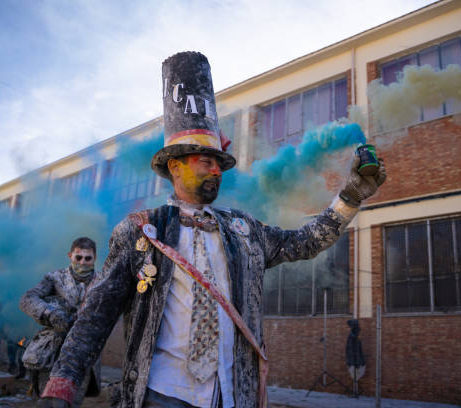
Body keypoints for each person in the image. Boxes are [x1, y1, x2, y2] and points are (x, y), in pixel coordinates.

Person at [39, 51, 386, 408]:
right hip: (160, 395)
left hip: (232, 395)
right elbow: (95, 316)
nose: (217, 171)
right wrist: (61, 386)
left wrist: (350, 197)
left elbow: (305, 243)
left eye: (219, 164)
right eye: (206, 161)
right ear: (174, 166)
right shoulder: (141, 230)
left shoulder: (243, 230)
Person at [20, 237, 101, 407]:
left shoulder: (102, 282)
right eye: (78, 257)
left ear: (95, 258)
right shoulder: (55, 278)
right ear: (70, 255)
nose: (83, 262)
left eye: (88, 258)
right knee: (45, 401)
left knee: (71, 402)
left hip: (83, 355)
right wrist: (51, 314)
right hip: (50, 351)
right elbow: (27, 299)